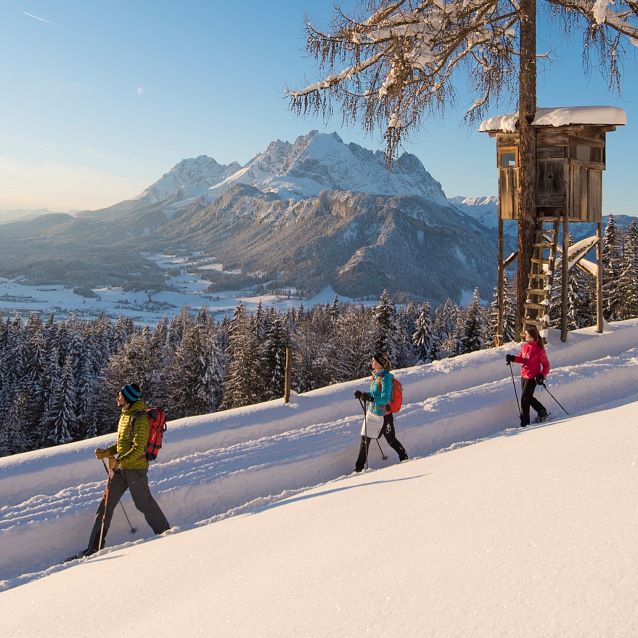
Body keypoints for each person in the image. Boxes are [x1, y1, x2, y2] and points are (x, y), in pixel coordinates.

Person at [75, 383, 170, 557]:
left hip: (135, 469)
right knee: (105, 507)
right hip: (121, 469)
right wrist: (107, 452)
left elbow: (139, 448)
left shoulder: (140, 419)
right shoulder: (125, 415)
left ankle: (167, 534)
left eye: (120, 395)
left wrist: (119, 462)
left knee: (144, 504)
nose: (117, 397)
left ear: (128, 398)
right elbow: (123, 445)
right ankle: (93, 548)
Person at [353, 352, 408, 472]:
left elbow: (385, 398)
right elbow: (374, 395)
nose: (372, 363)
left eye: (374, 361)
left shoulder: (386, 378)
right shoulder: (375, 376)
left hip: (384, 416)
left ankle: (404, 458)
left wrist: (371, 399)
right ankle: (358, 469)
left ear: (380, 364)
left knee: (391, 440)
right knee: (364, 441)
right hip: (371, 413)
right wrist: (363, 395)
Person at [506, 326, 551, 427]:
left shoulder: (539, 350)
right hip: (524, 376)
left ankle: (525, 424)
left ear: (532, 337)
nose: (525, 336)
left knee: (524, 400)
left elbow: (546, 365)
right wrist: (512, 358)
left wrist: (542, 375)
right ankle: (541, 411)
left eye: (527, 334)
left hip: (533, 378)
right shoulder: (525, 346)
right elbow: (522, 359)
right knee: (528, 398)